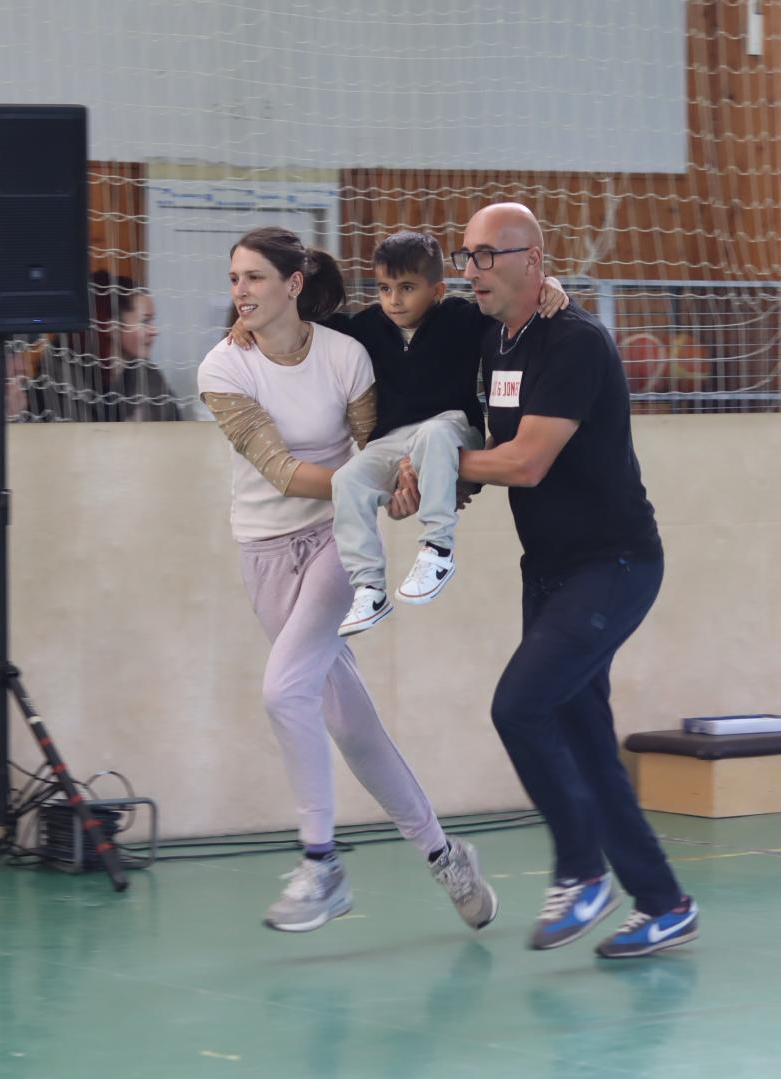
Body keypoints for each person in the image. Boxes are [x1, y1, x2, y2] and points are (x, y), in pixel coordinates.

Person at [195, 226, 496, 934]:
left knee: (284, 689)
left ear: (293, 284)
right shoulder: (223, 366)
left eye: (254, 277)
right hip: (263, 550)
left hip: (334, 539)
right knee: (348, 722)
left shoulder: (346, 354)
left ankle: (321, 864)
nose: (240, 291)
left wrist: (403, 484)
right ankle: (443, 854)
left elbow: (376, 447)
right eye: (234, 278)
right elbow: (281, 471)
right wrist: (373, 483)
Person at [455, 203, 697, 960]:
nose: (472, 270)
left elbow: (527, 462)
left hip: (614, 565)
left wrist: (439, 467)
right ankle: (664, 903)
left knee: (519, 705)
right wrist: (449, 476)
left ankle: (582, 872)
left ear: (533, 260)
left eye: (487, 255)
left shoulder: (576, 342)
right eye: (466, 256)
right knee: (585, 736)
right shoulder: (494, 339)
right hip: (550, 569)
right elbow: (491, 442)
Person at [234, 232, 569, 635]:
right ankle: (369, 587)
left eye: (407, 288)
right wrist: (250, 321)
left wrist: (550, 284)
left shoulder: (463, 319)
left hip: (452, 427)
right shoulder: (366, 327)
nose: (393, 300)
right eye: (384, 288)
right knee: (348, 481)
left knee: (433, 436)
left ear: (436, 291)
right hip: (392, 440)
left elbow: (513, 307)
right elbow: (303, 326)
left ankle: (437, 548)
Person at [33, 271, 182, 423]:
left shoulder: (148, 377)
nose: (154, 331)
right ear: (111, 325)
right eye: (145, 321)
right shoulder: (59, 380)